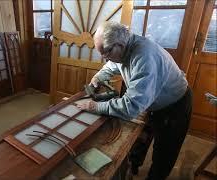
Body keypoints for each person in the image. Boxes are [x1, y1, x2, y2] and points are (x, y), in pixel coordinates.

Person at [77, 21, 192, 180]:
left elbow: (131, 107)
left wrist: (95, 106)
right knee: (141, 139)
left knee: (164, 152)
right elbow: (111, 66)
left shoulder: (144, 57)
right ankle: (132, 170)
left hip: (174, 105)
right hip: (153, 101)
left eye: (106, 53)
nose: (104, 58)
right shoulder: (125, 47)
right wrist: (98, 77)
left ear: (119, 45)